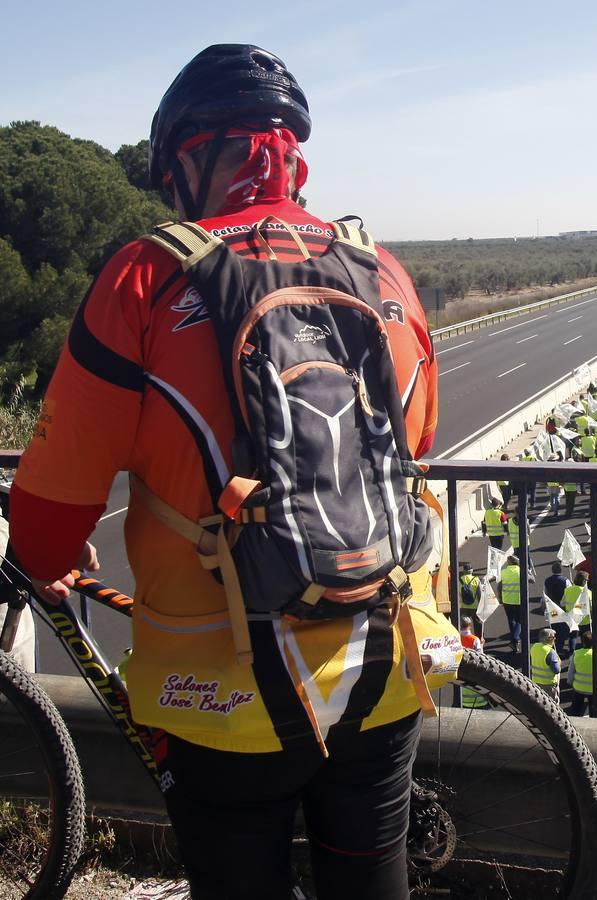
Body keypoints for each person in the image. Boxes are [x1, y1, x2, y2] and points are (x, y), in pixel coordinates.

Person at [7, 44, 451, 899]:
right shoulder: (381, 268)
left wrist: (45, 552)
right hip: (386, 664)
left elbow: (48, 528)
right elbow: (418, 440)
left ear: (191, 158)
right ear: (292, 156)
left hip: (221, 694)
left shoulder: (144, 276)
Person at [530, 629, 562, 702]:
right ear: (549, 638)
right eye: (553, 637)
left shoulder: (534, 647)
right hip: (549, 684)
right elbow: (557, 670)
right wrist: (559, 662)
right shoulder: (551, 652)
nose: (555, 638)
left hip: (536, 681)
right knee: (552, 704)